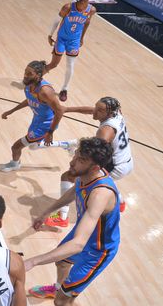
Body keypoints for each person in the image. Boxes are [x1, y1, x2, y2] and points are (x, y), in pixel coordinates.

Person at [26, 137, 120, 306]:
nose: (73, 161)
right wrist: (47, 211)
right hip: (83, 237)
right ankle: (59, 286)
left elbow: (78, 245)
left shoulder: (101, 193)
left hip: (96, 250)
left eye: (81, 159)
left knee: (63, 302)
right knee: (61, 263)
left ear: (96, 166)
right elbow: (73, 192)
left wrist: (35, 260)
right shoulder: (83, 174)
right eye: (76, 155)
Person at [45, 97, 133, 227]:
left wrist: (77, 153)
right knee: (108, 179)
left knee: (69, 177)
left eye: (99, 110)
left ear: (108, 113)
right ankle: (120, 203)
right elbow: (91, 110)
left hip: (115, 166)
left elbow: (95, 154)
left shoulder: (105, 131)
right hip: (126, 160)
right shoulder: (116, 113)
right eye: (96, 107)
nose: (95, 112)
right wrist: (67, 109)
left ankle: (62, 217)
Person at [0, 60, 65, 172]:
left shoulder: (46, 92)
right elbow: (29, 100)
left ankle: (14, 164)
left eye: (29, 74)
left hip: (46, 125)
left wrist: (50, 132)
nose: (25, 76)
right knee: (34, 146)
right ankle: (66, 144)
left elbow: (59, 112)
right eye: (25, 72)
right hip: (37, 120)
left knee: (16, 146)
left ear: (38, 75)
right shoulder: (28, 86)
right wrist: (11, 111)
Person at [43, 0, 97, 102]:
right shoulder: (68, 7)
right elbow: (57, 20)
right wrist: (50, 35)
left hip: (74, 41)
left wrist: (82, 38)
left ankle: (64, 89)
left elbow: (87, 23)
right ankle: (37, 76)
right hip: (62, 38)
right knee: (54, 64)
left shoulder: (91, 10)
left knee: (70, 65)